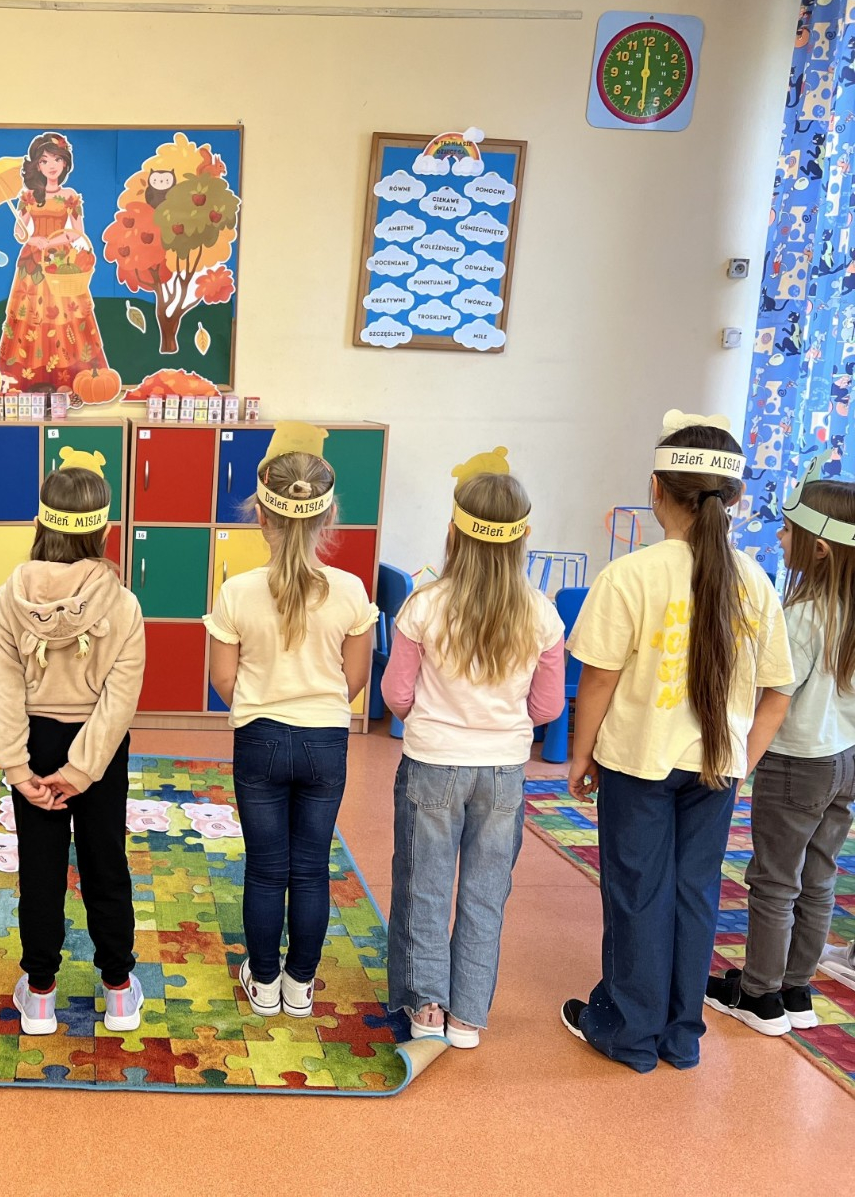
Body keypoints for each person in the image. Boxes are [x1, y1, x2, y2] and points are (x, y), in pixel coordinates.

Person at [561, 411, 793, 1072]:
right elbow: (778, 691)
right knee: (695, 894)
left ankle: (628, 1034)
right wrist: (741, 761)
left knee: (637, 893)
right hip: (715, 770)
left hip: (638, 763)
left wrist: (581, 754)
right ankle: (680, 1036)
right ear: (735, 498)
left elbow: (599, 679)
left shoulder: (631, 574)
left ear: (657, 490)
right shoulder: (756, 581)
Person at [382, 452, 565, 1048]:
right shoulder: (542, 615)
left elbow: (397, 694)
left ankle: (426, 1008)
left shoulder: (423, 605)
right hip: (503, 773)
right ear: (523, 538)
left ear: (454, 532)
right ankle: (467, 1016)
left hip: (433, 764)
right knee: (486, 896)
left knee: (425, 888)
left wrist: (434, 719)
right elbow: (547, 709)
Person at [206, 423, 376, 1019]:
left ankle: (264, 982)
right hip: (326, 738)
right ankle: (300, 985)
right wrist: (318, 702)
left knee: (265, 868)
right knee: (310, 868)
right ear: (328, 517)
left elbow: (223, 680)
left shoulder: (237, 592)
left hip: (259, 737)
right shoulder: (351, 591)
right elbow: (356, 678)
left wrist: (263, 699)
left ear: (261, 517)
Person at [0, 447, 145, 1034]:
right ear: (104, 529)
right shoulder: (123, 603)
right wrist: (83, 771)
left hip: (35, 746)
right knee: (106, 863)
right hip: (98, 752)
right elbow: (119, 702)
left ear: (40, 522)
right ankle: (119, 990)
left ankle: (40, 993)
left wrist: (18, 769)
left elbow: (3, 689)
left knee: (41, 869)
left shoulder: (9, 597)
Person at [704, 455, 855, 1034]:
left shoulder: (802, 619)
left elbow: (775, 700)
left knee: (774, 880)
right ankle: (796, 990)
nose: (779, 538)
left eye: (788, 531)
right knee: (819, 877)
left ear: (820, 548)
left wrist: (738, 763)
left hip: (797, 765)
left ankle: (760, 996)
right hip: (845, 763)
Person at [0, 131, 108, 389]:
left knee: (65, 313)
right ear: (37, 165)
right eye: (44, 160)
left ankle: (71, 378)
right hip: (33, 260)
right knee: (31, 314)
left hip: (60, 260)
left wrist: (52, 242)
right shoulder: (29, 196)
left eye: (57, 159)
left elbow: (77, 232)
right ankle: (30, 377)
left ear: (65, 163)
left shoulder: (70, 196)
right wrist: (29, 237)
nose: (51, 165)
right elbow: (19, 232)